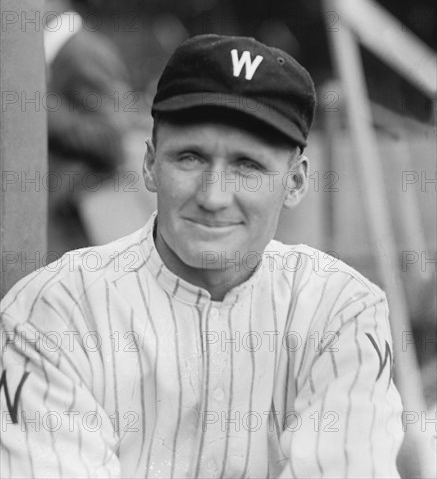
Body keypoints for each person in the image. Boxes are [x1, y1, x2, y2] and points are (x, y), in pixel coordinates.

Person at [0, 34, 404, 478]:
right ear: (151, 164)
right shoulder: (56, 310)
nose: (214, 197)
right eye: (190, 157)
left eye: (248, 165)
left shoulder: (341, 310)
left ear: (295, 182)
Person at [44, 0, 132, 257]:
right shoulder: (49, 52)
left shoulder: (83, 54)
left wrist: (39, 105)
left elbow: (110, 139)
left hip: (71, 229)